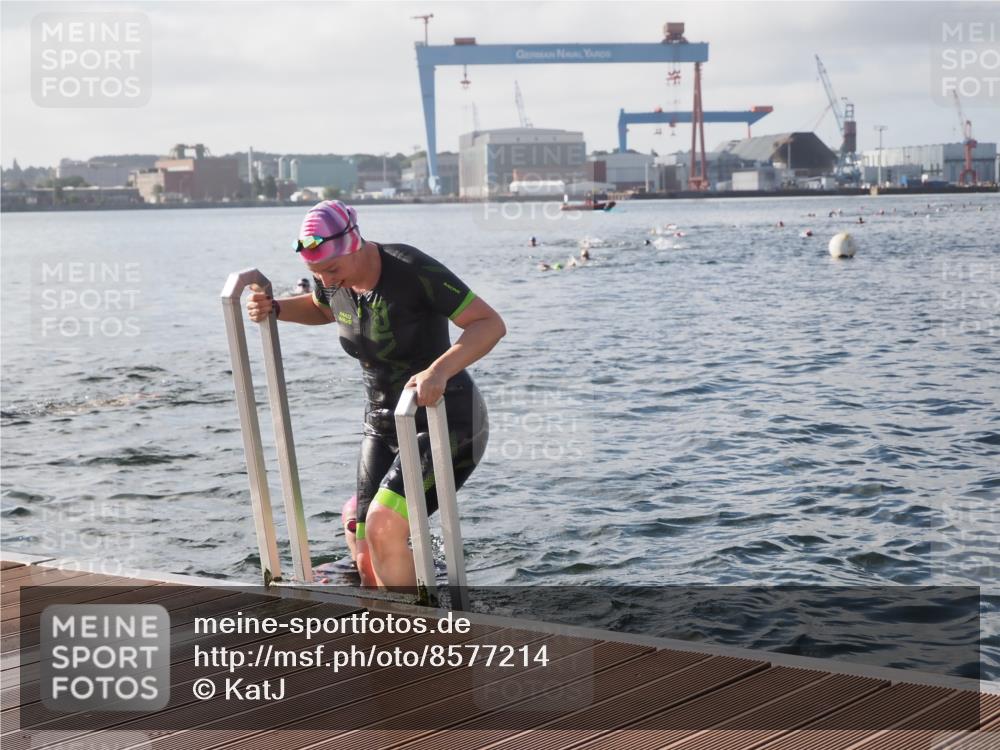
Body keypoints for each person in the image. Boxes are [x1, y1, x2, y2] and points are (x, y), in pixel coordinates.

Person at [245, 200, 506, 589]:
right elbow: (323, 309)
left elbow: (489, 324)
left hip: (446, 420)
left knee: (383, 527)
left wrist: (439, 370)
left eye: (332, 269)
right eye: (317, 273)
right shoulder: (332, 280)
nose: (327, 280)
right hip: (382, 423)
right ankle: (391, 625)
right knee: (363, 542)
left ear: (354, 244)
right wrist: (277, 308)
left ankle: (416, 635)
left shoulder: (412, 270)